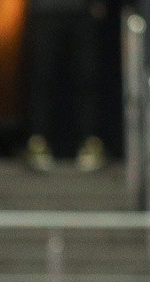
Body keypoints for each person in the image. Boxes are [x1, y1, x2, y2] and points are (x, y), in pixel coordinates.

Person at [23, 0, 109, 173]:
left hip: (81, 10)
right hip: (45, 10)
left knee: (86, 80)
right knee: (42, 78)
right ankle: (38, 142)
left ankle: (89, 141)